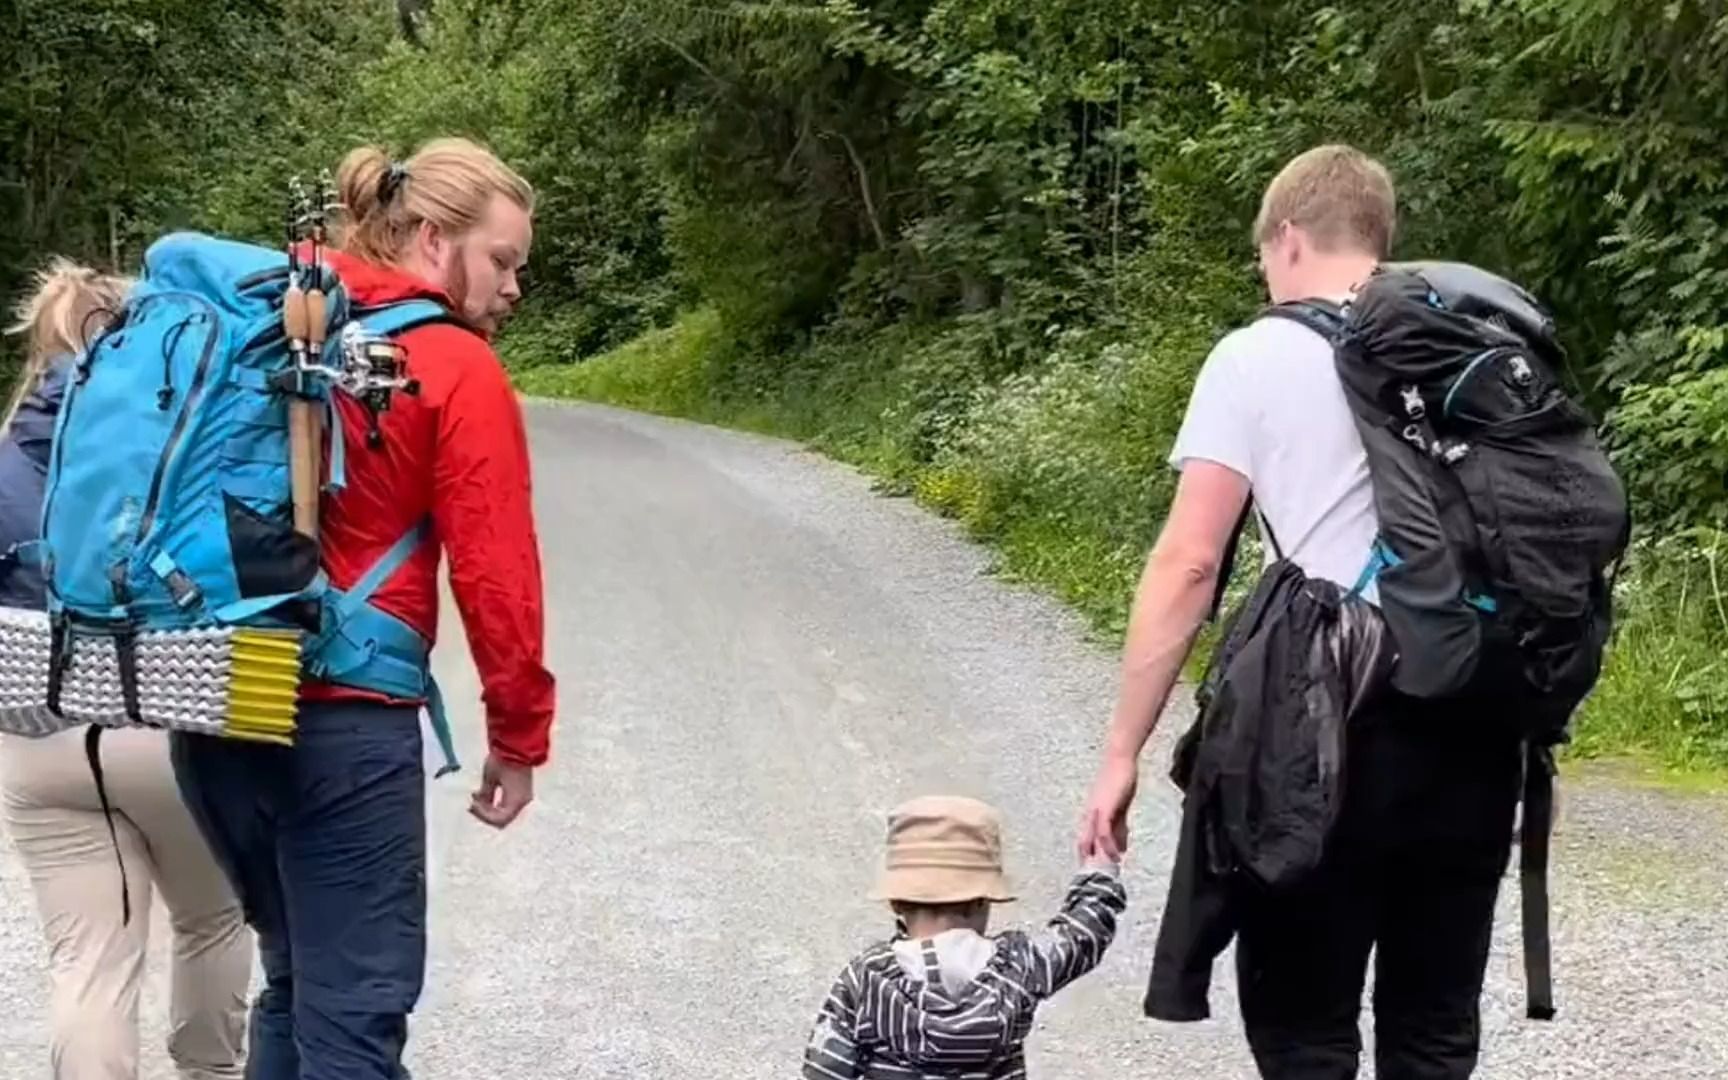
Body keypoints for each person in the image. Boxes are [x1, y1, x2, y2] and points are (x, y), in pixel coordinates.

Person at [1077, 145, 1525, 1078]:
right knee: (1435, 1025)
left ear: (1286, 239)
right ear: (1377, 238)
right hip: (1477, 711)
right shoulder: (1481, 344)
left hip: (1329, 721)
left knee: (1305, 1026)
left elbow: (1192, 562)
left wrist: (1123, 751)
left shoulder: (1256, 356)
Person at [170, 137, 557, 1079]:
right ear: (432, 237)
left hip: (221, 703)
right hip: (343, 725)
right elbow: (495, 572)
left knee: (296, 984)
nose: (512, 287)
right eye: (501, 260)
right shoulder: (453, 364)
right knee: (356, 1020)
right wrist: (519, 734)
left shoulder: (267, 333)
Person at [0, 259, 251, 1080]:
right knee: (213, 922)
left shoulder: (8, 452)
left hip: (38, 740)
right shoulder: (175, 441)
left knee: (91, 968)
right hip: (168, 717)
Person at [803, 795, 1126, 1079]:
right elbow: (1082, 936)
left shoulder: (866, 978)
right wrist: (1100, 865)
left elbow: (824, 1069)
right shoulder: (1018, 966)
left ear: (896, 900)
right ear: (983, 899)